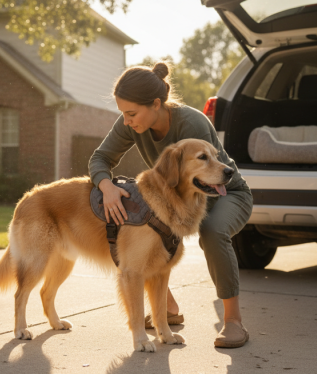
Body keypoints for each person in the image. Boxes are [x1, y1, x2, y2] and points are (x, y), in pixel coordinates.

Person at [89, 62, 253, 348]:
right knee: (142, 230)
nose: (126, 121)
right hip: (182, 199)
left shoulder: (192, 123)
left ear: (155, 104)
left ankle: (233, 322)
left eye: (131, 113)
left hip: (226, 194)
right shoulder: (133, 121)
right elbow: (100, 158)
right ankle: (167, 310)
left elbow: (208, 169)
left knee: (213, 232)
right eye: (123, 114)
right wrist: (107, 187)